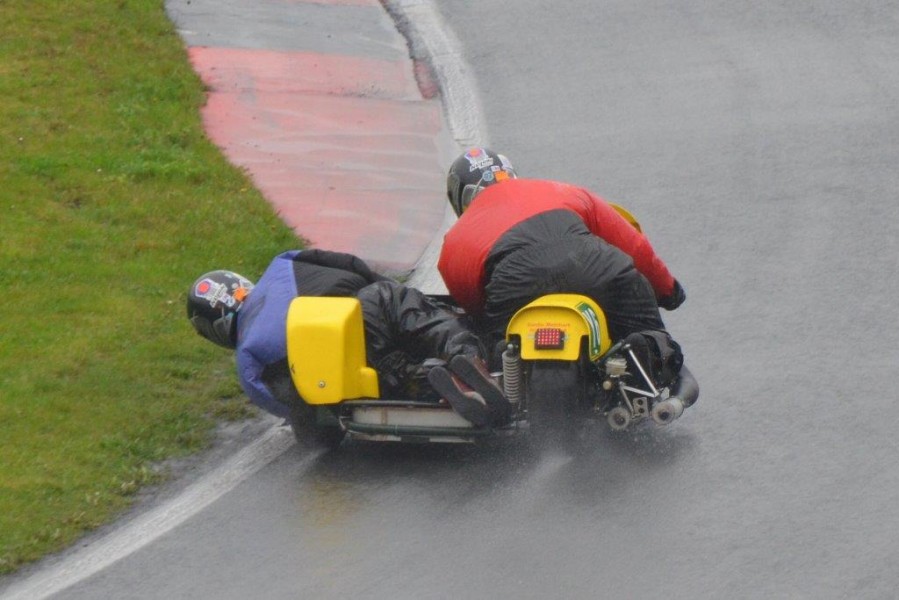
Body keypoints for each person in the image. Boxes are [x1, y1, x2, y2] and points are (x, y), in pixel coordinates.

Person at [438, 147, 693, 398]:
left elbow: (473, 307)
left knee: (497, 349)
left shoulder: (454, 241)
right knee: (648, 330)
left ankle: (503, 379)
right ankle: (647, 356)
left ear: (460, 198)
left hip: (513, 285)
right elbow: (633, 244)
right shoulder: (560, 190)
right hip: (594, 264)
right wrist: (668, 291)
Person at [187, 249, 512, 431]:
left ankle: (437, 379)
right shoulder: (282, 263)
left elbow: (295, 407)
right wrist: (392, 291)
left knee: (397, 373)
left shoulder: (249, 357)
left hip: (351, 348)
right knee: (438, 326)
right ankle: (470, 358)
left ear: (215, 329)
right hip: (373, 298)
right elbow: (352, 263)